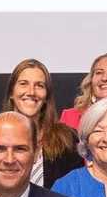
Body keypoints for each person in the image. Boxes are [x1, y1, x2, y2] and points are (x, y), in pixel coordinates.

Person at [6, 57, 82, 187]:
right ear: (12, 92)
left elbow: (75, 191)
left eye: (39, 86)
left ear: (47, 96)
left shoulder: (67, 139)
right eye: (23, 84)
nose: (31, 92)